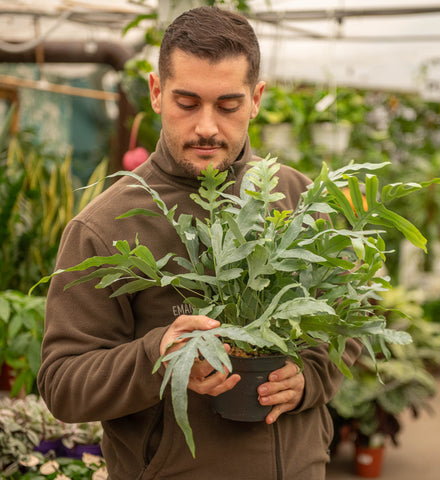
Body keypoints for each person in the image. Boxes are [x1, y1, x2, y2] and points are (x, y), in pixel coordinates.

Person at [38, 6, 361, 480]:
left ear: (256, 98)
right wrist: (159, 359)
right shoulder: (102, 228)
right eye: (187, 103)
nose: (207, 126)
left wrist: (310, 376)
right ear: (156, 92)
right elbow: (62, 383)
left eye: (228, 105)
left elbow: (356, 314)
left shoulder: (299, 199)